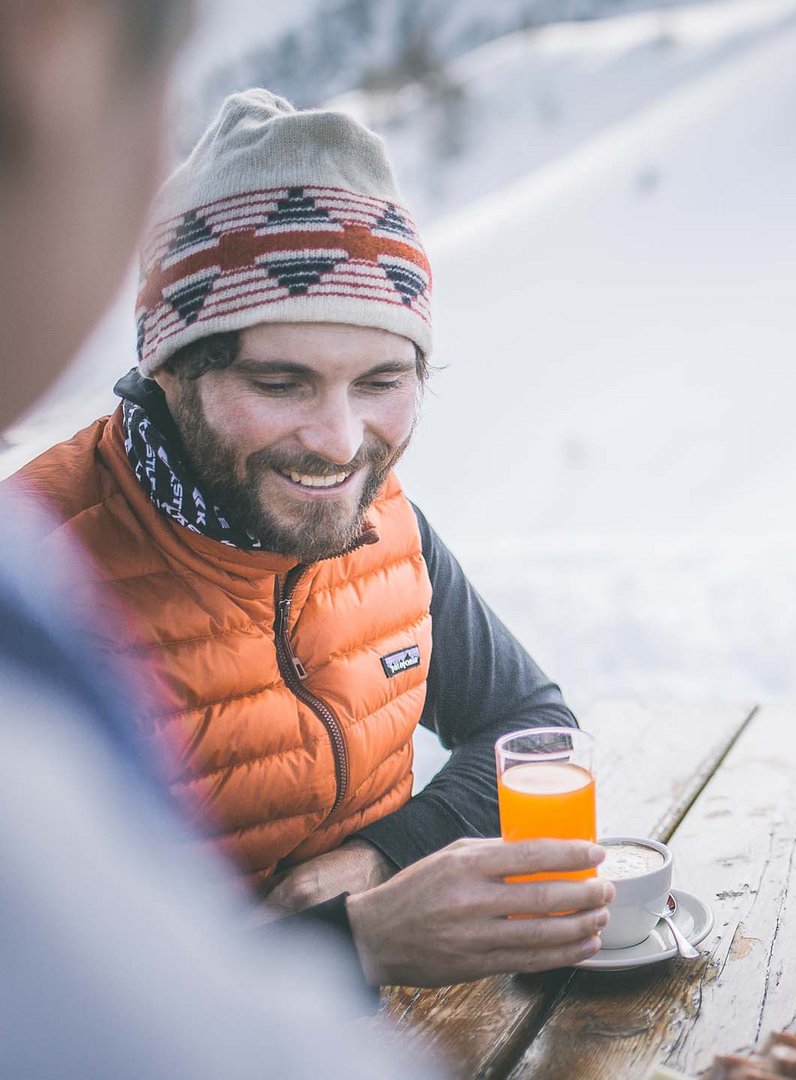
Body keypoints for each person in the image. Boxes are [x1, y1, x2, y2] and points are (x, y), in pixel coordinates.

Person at [1, 87, 613, 988]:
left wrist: (378, 861)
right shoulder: (38, 573)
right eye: (282, 383)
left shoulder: (383, 520)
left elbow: (532, 730)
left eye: (380, 381)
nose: (339, 442)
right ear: (171, 369)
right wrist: (353, 946)